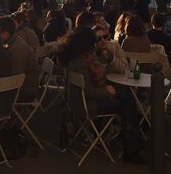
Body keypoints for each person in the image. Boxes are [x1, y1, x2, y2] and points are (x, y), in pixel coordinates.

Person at [57, 27, 145, 164]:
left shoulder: (75, 59)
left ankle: (132, 139)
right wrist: (107, 91)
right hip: (89, 106)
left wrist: (105, 54)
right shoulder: (80, 63)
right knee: (126, 103)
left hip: (78, 103)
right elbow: (89, 92)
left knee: (126, 98)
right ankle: (132, 145)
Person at [0, 16, 39, 100]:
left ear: (5, 34)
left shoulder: (17, 49)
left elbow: (14, 76)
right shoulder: (15, 41)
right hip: (25, 85)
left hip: (26, 90)